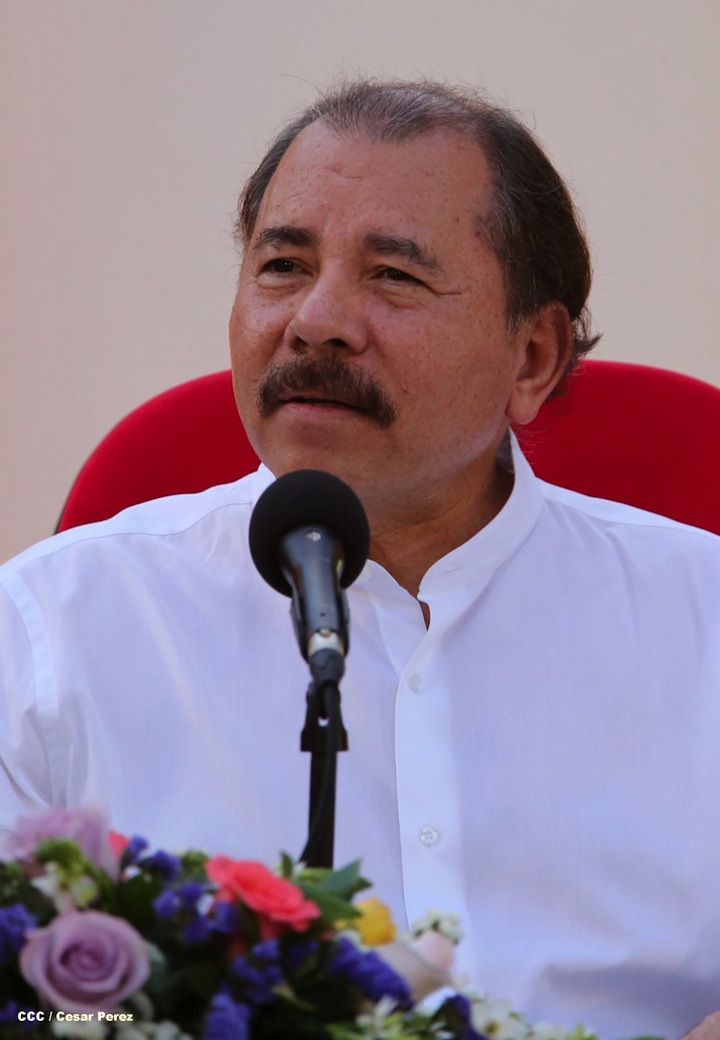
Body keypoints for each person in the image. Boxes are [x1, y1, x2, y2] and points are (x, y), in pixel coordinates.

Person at [1, 79, 719, 1038]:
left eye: (393, 276)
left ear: (533, 359)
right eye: (283, 266)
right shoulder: (50, 627)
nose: (317, 320)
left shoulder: (700, 619)